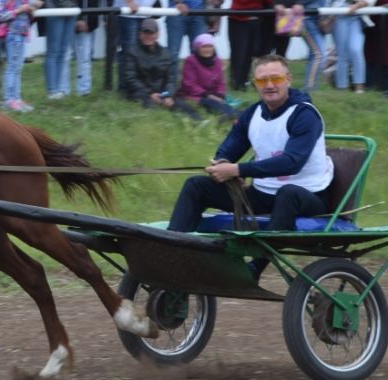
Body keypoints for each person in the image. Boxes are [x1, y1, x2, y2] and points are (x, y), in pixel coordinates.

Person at [168, 55, 333, 276]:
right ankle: (171, 252)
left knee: (287, 193)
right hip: (262, 195)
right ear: (255, 84)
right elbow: (229, 148)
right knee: (196, 185)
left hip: (308, 197)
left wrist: (238, 170)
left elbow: (292, 162)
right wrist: (223, 164)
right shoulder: (253, 113)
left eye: (276, 78)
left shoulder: (305, 115)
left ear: (288, 79)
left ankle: (255, 268)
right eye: (262, 81)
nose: (270, 85)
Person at [122, 18, 200, 120]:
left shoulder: (165, 53)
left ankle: (199, 121)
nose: (148, 36)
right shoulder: (132, 52)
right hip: (141, 92)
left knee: (179, 104)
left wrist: (168, 95)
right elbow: (131, 78)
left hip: (162, 92)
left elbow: (171, 79)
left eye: (151, 33)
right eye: (145, 32)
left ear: (157, 35)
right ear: (140, 34)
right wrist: (150, 93)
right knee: (153, 108)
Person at [331, 0, 380, 93]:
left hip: (358, 15)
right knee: (342, 53)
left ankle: (359, 87)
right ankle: (342, 88)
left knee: (356, 49)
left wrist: (357, 6)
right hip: (341, 13)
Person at [228, 0, 274, 90]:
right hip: (239, 21)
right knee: (240, 54)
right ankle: (238, 84)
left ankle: (254, 81)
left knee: (255, 53)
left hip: (257, 21)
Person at [0, 0, 36, 112]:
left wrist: (29, 11)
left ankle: (16, 97)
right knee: (12, 66)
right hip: (12, 34)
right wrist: (18, 10)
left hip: (22, 33)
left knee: (18, 67)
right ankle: (9, 98)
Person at [299, 0, 337, 91]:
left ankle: (309, 89)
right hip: (305, 21)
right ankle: (309, 90)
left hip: (321, 21)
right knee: (319, 54)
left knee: (314, 55)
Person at [176, 33, 236, 121]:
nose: (207, 49)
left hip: (213, 95)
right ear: (197, 48)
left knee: (222, 103)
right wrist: (207, 95)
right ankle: (229, 115)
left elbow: (220, 83)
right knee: (211, 103)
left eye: (210, 46)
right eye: (204, 46)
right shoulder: (190, 61)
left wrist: (220, 95)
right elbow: (189, 84)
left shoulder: (217, 61)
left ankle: (233, 115)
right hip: (195, 95)